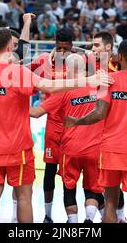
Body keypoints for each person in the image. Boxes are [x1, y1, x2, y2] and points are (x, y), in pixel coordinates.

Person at [0, 26, 112, 223]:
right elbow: (49, 87)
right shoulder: (17, 72)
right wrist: (89, 79)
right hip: (16, 146)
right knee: (24, 197)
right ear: (11, 45)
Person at [65, 40, 127, 223]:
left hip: (110, 149)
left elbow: (99, 114)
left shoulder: (108, 80)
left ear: (120, 57)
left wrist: (77, 121)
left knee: (110, 202)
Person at [29, 54, 105, 223]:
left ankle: (73, 222)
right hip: (95, 148)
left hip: (71, 148)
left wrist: (9, 105)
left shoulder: (63, 90)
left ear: (68, 70)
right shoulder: (100, 85)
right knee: (93, 188)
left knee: (69, 188)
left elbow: (36, 113)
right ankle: (90, 220)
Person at [30, 29, 73, 223]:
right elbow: (22, 71)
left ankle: (72, 218)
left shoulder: (80, 64)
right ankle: (47, 215)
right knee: (49, 170)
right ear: (55, 44)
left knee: (69, 174)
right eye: (59, 46)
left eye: (66, 47)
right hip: (53, 124)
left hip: (74, 126)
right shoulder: (43, 60)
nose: (62, 50)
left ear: (72, 46)